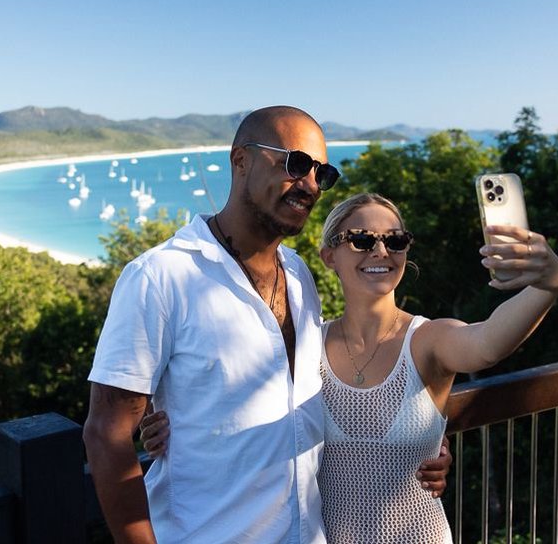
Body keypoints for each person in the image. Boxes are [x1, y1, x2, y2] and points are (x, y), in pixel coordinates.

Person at [83, 106, 451, 544]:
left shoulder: (299, 276)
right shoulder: (161, 277)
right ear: (241, 161)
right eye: (297, 164)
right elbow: (106, 435)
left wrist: (419, 445)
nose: (311, 185)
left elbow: (313, 401)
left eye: (323, 174)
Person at [142, 192, 558, 543]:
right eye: (362, 240)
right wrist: (162, 423)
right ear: (329, 256)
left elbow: (488, 342)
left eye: (395, 240)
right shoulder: (308, 344)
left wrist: (550, 282)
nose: (381, 251)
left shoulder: (428, 341)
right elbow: (235, 396)